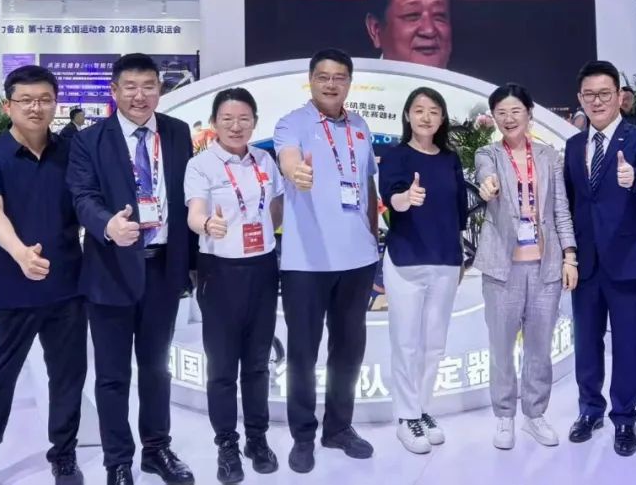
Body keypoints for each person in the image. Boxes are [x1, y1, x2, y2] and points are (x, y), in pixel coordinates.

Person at [67, 53, 196, 485]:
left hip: (162, 270)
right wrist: (107, 225)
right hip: (110, 271)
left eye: (148, 86)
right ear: (114, 91)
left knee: (157, 369)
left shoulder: (177, 133)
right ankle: (118, 461)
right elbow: (82, 196)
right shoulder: (89, 140)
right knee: (113, 375)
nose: (140, 96)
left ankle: (156, 450)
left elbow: (186, 198)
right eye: (130, 87)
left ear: (160, 88)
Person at [0, 66, 86, 485]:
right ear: (8, 106)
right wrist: (19, 253)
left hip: (67, 287)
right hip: (12, 289)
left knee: (68, 378)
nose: (36, 108)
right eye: (26, 100)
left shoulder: (72, 151)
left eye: (45, 99)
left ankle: (64, 455)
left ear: (55, 103)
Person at [273, 48, 379, 473]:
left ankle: (339, 428)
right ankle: (303, 435)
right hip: (306, 263)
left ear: (349, 82)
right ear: (311, 80)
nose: (331, 84)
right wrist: (296, 172)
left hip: (358, 260)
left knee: (348, 350)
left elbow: (368, 188)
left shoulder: (360, 125)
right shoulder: (291, 123)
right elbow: (288, 160)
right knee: (302, 353)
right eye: (323, 76)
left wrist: (373, 239)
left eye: (339, 77)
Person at [185, 88, 284, 484]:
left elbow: (276, 206)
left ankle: (257, 439)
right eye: (227, 119)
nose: (236, 126)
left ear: (254, 122)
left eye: (244, 118)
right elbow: (194, 212)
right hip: (219, 271)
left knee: (258, 363)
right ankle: (227, 443)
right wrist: (207, 224)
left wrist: (263, 230)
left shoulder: (265, 160)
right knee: (223, 366)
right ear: (214, 123)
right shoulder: (201, 164)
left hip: (262, 268)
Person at [563, 60, 636, 457]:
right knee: (586, 343)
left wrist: (634, 177)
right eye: (589, 95)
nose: (597, 101)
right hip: (586, 264)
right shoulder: (573, 146)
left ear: (620, 95)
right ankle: (590, 409)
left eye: (604, 93)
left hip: (628, 261)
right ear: (580, 98)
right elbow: (570, 203)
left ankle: (624, 417)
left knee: (627, 344)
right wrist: (569, 254)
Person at [474, 83, 577, 451]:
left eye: (515, 111)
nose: (508, 118)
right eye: (501, 113)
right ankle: (504, 415)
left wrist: (569, 255)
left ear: (529, 114)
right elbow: (485, 175)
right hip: (502, 268)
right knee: (501, 346)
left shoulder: (548, 156)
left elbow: (560, 209)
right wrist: (487, 186)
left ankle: (534, 414)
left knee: (539, 347)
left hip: (545, 267)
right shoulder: (488, 153)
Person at [377, 87, 469, 454]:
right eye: (418, 110)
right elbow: (392, 199)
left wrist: (460, 259)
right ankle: (406, 417)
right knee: (406, 343)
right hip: (406, 261)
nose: (426, 117)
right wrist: (406, 198)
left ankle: (422, 409)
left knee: (434, 345)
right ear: (407, 116)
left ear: (442, 118)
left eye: (433, 110)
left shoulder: (449, 159)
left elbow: (460, 213)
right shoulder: (396, 156)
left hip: (445, 261)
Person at [365, 0, 453, 69]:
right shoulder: (359, 78)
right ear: (375, 29)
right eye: (412, 15)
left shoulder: (463, 78)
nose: (429, 30)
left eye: (439, 15)